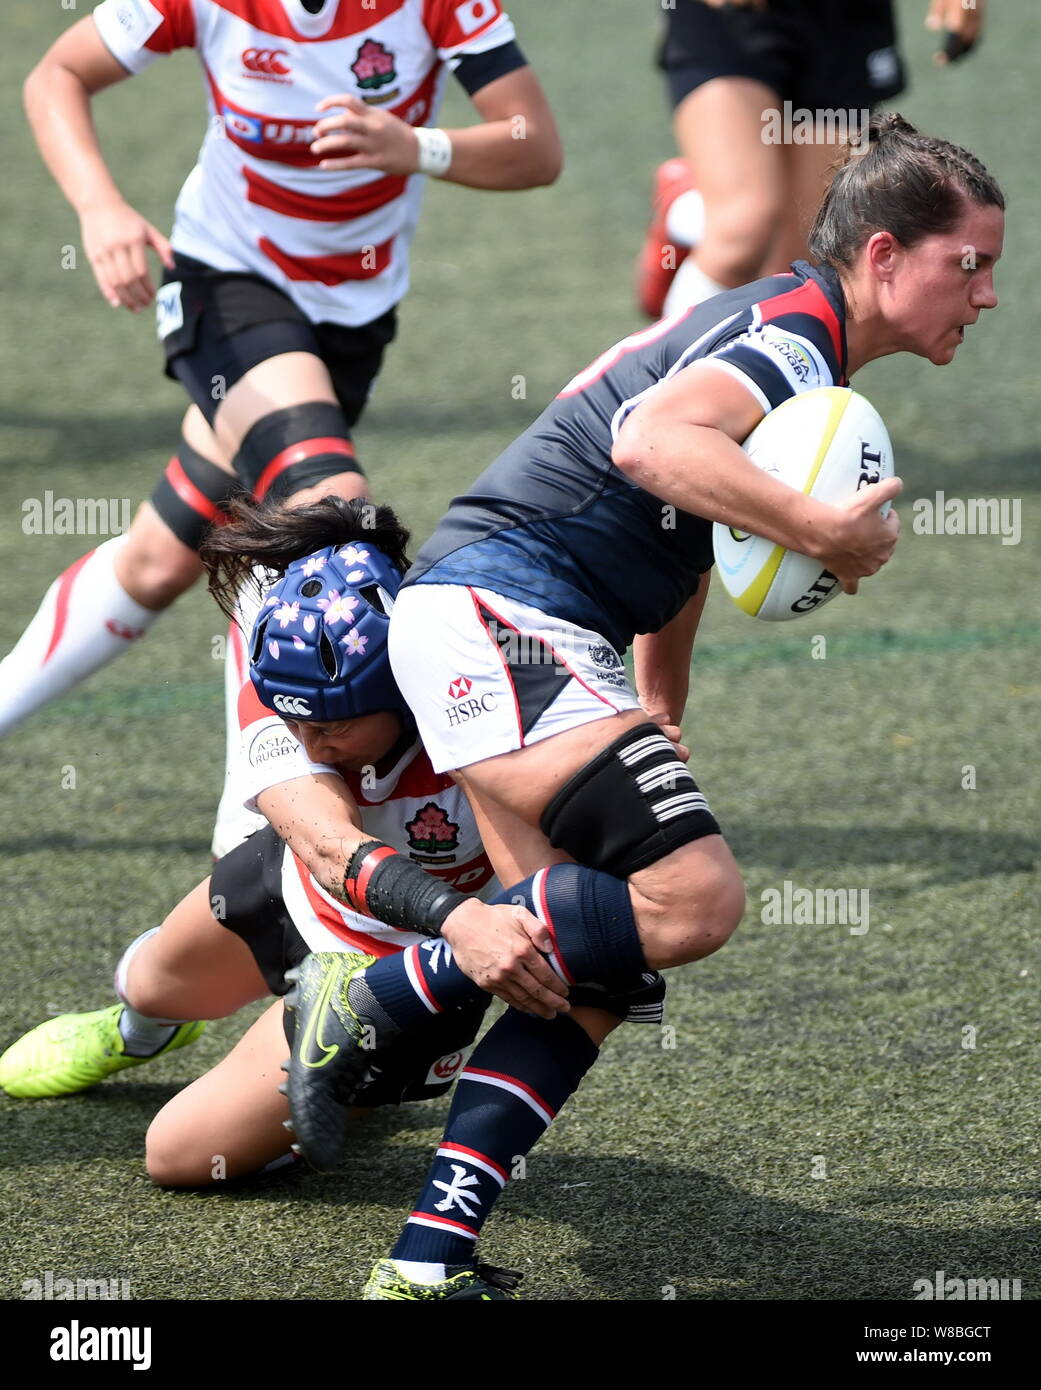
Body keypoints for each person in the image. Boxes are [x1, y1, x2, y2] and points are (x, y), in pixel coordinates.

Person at [273, 115, 1004, 1298]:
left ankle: (423, 1260)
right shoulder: (791, 338)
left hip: (518, 626)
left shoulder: (792, 337)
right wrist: (820, 526)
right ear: (881, 256)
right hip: (499, 613)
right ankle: (375, 994)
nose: (983, 296)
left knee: (578, 969)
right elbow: (652, 442)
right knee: (696, 898)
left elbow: (691, 532)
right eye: (967, 264)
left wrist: (659, 697)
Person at [0, 496, 665, 1301]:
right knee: (146, 985)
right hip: (296, 888)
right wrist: (463, 918)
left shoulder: (476, 696)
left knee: (176, 1157)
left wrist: (650, 715)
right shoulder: (287, 686)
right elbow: (322, 842)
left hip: (402, 969)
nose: (312, 742)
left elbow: (654, 564)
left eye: (337, 727)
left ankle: (351, 1066)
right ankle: (138, 1033)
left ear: (402, 683)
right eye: (296, 720)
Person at [0, 0, 561, 855]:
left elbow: (534, 145)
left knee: (159, 559)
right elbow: (57, 74)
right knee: (323, 512)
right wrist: (100, 207)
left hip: (351, 322)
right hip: (226, 282)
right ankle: (252, 843)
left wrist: (418, 147)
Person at [636, 0, 988, 319]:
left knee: (794, 277)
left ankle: (688, 209)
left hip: (843, 24)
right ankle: (658, 384)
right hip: (730, 19)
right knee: (743, 229)